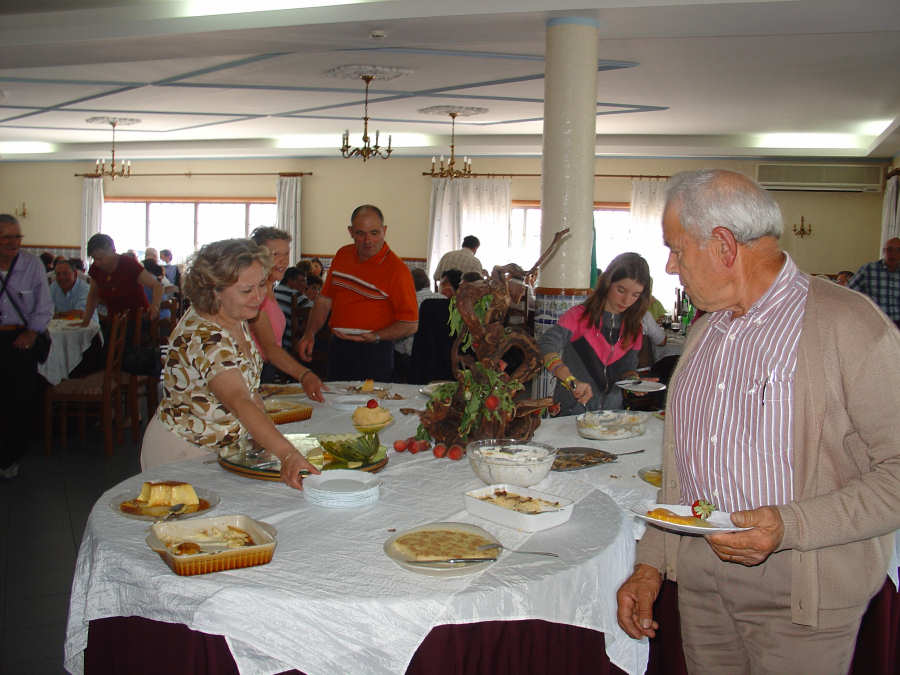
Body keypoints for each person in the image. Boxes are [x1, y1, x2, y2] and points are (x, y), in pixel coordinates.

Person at [615, 169, 900, 674]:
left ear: (724, 245)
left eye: (677, 249)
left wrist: (790, 525)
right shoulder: (705, 332)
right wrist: (651, 563)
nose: (671, 265)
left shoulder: (851, 325)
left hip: (801, 589)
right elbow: (682, 473)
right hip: (701, 584)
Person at [140, 239, 320, 489]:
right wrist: (287, 454)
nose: (258, 296)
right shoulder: (206, 337)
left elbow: (249, 391)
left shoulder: (234, 315)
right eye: (246, 290)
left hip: (220, 447)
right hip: (185, 451)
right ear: (213, 290)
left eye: (262, 284)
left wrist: (264, 436)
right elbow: (239, 400)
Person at [297, 205, 418, 382]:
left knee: (371, 400)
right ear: (351, 232)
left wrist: (376, 336)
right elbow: (324, 300)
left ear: (384, 231)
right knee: (336, 398)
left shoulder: (397, 270)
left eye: (374, 233)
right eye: (360, 233)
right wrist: (309, 334)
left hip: (375, 352)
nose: (368, 240)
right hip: (338, 347)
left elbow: (410, 324)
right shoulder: (342, 255)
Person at [537, 252, 650, 416]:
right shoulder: (578, 316)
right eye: (621, 290)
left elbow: (627, 370)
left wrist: (633, 382)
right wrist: (570, 380)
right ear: (607, 283)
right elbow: (544, 346)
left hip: (612, 415)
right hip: (572, 411)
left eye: (635, 295)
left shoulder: (634, 329)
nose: (626, 301)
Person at [0, 215, 53, 479]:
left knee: (17, 399)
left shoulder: (31, 265)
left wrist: (32, 332)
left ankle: (10, 458)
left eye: (17, 237)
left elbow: (44, 306)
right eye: (6, 238)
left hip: (21, 338)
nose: (13, 243)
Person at [246, 227, 325, 398]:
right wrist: (304, 374)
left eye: (286, 254)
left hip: (268, 370)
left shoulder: (269, 289)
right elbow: (269, 348)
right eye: (275, 254)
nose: (283, 261)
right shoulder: (255, 295)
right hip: (253, 373)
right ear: (257, 256)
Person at [81, 233, 162, 327]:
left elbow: (157, 286)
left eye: (100, 258)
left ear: (112, 250)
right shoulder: (96, 269)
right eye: (94, 258)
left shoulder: (128, 264)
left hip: (138, 322)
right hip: (114, 321)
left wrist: (155, 306)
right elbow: (93, 296)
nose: (97, 263)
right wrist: (86, 321)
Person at [409, 269, 462, 384]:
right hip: (456, 370)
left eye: (440, 284)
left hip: (424, 369)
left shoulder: (428, 305)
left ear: (447, 288)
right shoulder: (468, 312)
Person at [394, 268, 441, 380]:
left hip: (412, 358)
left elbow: (399, 334)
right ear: (428, 282)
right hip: (440, 357)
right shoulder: (443, 299)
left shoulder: (406, 303)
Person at [848, 238, 900, 327]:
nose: (893, 254)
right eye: (889, 249)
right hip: (874, 323)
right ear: (883, 251)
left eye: (898, 250)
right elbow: (850, 293)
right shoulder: (869, 269)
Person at [273, 266, 311, 350]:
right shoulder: (296, 295)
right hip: (289, 344)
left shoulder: (273, 291)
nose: (305, 285)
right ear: (290, 281)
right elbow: (316, 313)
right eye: (302, 281)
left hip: (273, 341)